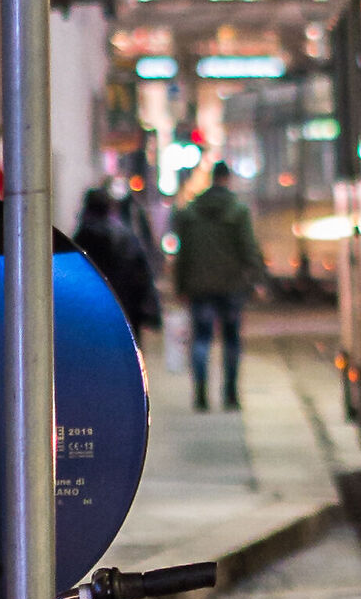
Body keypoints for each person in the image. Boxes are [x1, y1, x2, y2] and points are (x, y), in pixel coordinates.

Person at [172, 160, 264, 411]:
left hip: (199, 287)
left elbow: (183, 255)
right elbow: (248, 249)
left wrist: (180, 286)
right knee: (231, 340)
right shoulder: (238, 211)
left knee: (201, 339)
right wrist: (255, 279)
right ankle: (230, 394)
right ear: (228, 179)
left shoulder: (190, 212)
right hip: (231, 287)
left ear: (212, 179)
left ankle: (201, 394)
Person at [75, 185, 162, 341]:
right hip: (125, 311)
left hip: (91, 313)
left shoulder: (79, 240)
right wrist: (149, 310)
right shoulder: (125, 236)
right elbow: (141, 275)